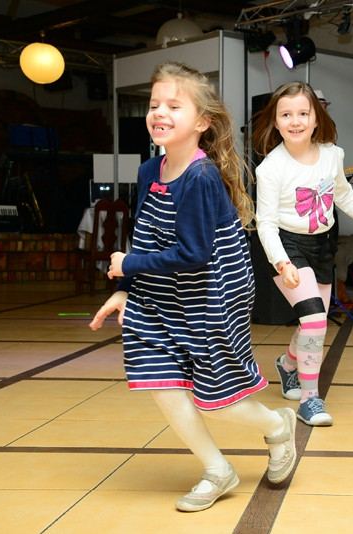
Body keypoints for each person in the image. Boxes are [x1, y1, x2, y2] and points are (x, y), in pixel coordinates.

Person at [88, 61, 297, 512]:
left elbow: (195, 253)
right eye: (153, 104)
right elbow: (146, 236)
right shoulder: (149, 171)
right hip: (161, 291)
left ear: (202, 122)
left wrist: (128, 266)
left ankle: (279, 427)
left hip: (212, 293)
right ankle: (217, 470)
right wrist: (128, 288)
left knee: (217, 402)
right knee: (157, 379)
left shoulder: (201, 178)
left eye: (173, 105)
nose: (158, 112)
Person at [251, 81, 353, 426]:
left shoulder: (333, 154)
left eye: (303, 113)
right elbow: (266, 224)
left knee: (311, 322)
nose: (296, 121)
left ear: (316, 118)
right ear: (275, 122)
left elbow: (344, 195)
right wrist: (282, 262)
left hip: (322, 246)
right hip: (287, 247)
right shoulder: (270, 168)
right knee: (316, 321)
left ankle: (288, 364)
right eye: (286, 114)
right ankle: (309, 400)